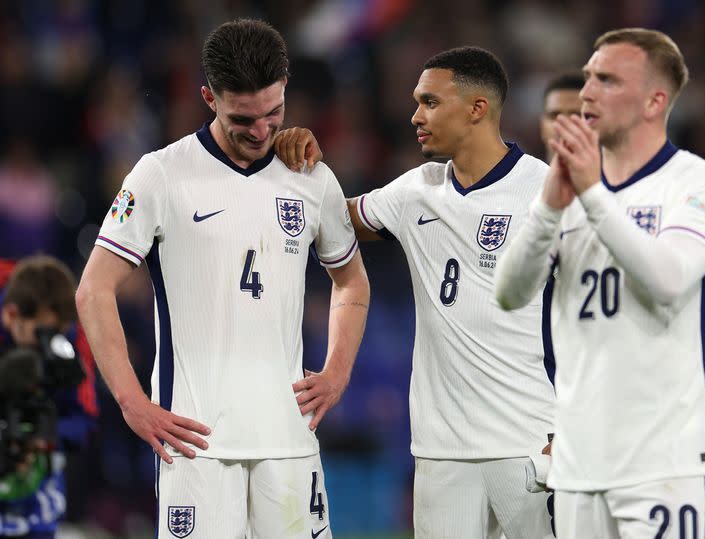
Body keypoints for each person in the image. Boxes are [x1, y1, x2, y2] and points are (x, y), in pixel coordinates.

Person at [75, 19, 369, 539]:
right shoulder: (161, 174)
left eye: (273, 113)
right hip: (196, 444)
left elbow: (352, 282)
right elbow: (93, 289)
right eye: (242, 118)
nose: (260, 131)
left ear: (285, 90)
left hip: (289, 438)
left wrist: (336, 372)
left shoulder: (310, 176)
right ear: (209, 96)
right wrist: (131, 402)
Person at [276, 47, 555, 539]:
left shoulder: (547, 191)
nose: (415, 116)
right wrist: (305, 169)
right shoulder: (415, 192)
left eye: (429, 102)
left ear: (476, 109)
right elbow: (329, 221)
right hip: (440, 451)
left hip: (532, 441)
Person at [495, 28, 705, 538]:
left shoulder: (698, 182)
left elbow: (668, 278)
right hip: (579, 466)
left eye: (607, 80)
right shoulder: (566, 188)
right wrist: (548, 210)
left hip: (663, 462)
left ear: (655, 101)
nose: (585, 94)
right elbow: (510, 292)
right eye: (587, 78)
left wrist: (592, 194)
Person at [0, 255, 98, 539]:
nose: (51, 342)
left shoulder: (71, 337)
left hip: (36, 473)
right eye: (42, 332)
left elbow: (85, 418)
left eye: (59, 331)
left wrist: (45, 440)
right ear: (11, 315)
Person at [539, 73, 584, 159]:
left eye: (576, 115)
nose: (563, 123)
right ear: (542, 127)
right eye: (554, 115)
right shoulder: (521, 172)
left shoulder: (615, 172)